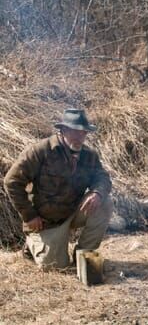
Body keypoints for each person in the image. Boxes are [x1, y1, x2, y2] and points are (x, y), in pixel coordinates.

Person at [4, 108, 113, 268]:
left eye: (83, 132)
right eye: (74, 132)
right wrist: (30, 215)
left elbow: (102, 178)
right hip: (45, 222)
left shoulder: (89, 155)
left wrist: (97, 192)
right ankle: (32, 245)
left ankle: (83, 255)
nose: (79, 137)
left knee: (105, 202)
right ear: (63, 130)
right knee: (54, 266)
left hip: (73, 212)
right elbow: (11, 181)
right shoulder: (40, 151)